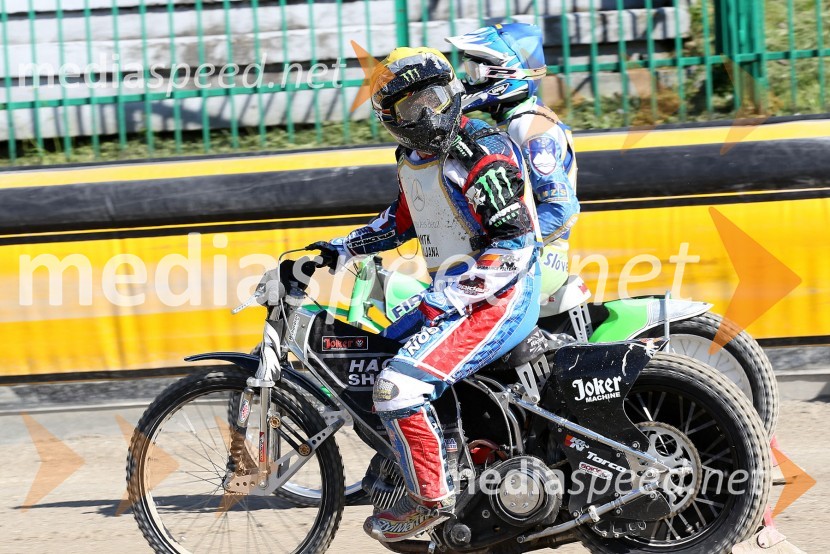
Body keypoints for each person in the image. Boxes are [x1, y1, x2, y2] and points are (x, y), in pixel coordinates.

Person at [312, 47, 542, 542]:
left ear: (452, 91)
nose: (426, 114)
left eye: (433, 99)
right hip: (459, 294)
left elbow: (515, 246)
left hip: (500, 296)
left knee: (396, 388)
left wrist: (450, 297)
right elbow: (400, 221)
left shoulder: (481, 151)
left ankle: (432, 499)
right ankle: (447, 454)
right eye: (411, 106)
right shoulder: (413, 160)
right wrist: (340, 248)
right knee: (379, 354)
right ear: (391, 118)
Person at [446, 22, 580, 304]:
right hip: (526, 254)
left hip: (539, 260)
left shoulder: (529, 127)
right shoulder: (520, 120)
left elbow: (562, 208)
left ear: (504, 74)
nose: (468, 81)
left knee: (445, 303)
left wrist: (509, 246)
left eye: (475, 71)